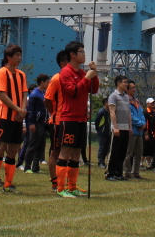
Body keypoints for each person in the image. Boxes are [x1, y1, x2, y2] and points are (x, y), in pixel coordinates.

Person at [55, 41, 98, 198]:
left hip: (81, 118)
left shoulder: (81, 73)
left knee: (76, 153)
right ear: (72, 55)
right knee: (65, 151)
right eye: (81, 51)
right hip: (69, 118)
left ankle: (72, 186)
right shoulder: (66, 72)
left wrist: (94, 73)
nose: (84, 54)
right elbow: (72, 91)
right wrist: (87, 77)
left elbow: (94, 89)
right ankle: (61, 188)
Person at [0, 45, 27, 194]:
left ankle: (8, 184)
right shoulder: (1, 73)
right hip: (4, 117)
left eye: (20, 54)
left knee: (12, 152)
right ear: (8, 57)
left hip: (17, 118)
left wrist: (22, 111)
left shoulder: (21, 74)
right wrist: (18, 109)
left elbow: (24, 94)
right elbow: (2, 95)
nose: (19, 57)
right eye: (16, 55)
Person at [44, 50, 68, 192]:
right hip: (58, 122)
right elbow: (47, 99)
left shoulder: (72, 79)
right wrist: (53, 113)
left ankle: (66, 182)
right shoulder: (57, 78)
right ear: (63, 63)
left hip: (70, 121)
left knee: (68, 152)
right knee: (55, 152)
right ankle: (55, 182)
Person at [105, 75, 130, 181]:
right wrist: (115, 127)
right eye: (124, 82)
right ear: (118, 83)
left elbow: (128, 113)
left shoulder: (126, 97)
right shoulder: (113, 96)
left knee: (122, 152)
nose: (126, 84)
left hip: (126, 128)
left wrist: (130, 127)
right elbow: (112, 112)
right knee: (114, 151)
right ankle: (109, 173)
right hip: (117, 128)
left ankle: (118, 173)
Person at [22, 74, 48, 174]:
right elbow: (31, 110)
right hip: (36, 123)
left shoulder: (43, 93)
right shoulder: (34, 94)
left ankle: (35, 167)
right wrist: (32, 123)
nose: (48, 84)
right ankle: (27, 166)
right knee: (32, 145)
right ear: (42, 82)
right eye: (47, 82)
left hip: (43, 122)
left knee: (40, 146)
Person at [122, 80, 146, 179]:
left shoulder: (136, 101)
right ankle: (127, 172)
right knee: (129, 153)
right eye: (132, 88)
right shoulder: (126, 100)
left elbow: (141, 113)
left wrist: (143, 123)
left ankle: (136, 172)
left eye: (134, 87)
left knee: (139, 152)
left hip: (140, 131)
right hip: (132, 130)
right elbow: (129, 115)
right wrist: (140, 123)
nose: (134, 89)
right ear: (127, 89)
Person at [93, 102, 110, 168]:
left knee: (106, 148)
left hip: (108, 132)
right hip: (102, 132)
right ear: (106, 103)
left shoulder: (109, 111)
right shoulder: (101, 112)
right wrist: (100, 130)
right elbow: (97, 122)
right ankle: (100, 162)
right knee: (102, 147)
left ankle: (103, 161)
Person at [142, 97, 155, 169]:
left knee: (151, 148)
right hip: (146, 133)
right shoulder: (145, 112)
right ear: (147, 104)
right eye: (151, 103)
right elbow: (145, 123)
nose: (153, 104)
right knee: (145, 148)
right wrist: (146, 133)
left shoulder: (154, 112)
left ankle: (149, 163)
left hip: (152, 133)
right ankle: (141, 163)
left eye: (153, 103)